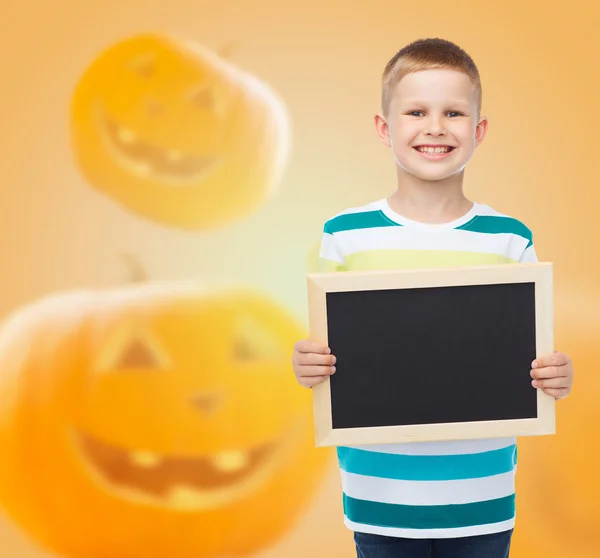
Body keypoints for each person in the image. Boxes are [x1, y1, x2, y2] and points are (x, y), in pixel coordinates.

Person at [291, 37, 575, 558]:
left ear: (478, 130)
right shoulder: (345, 235)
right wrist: (306, 363)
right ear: (384, 128)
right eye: (416, 111)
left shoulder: (508, 238)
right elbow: (324, 351)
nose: (435, 127)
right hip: (380, 497)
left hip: (482, 495)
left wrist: (556, 375)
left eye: (454, 112)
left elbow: (534, 353)